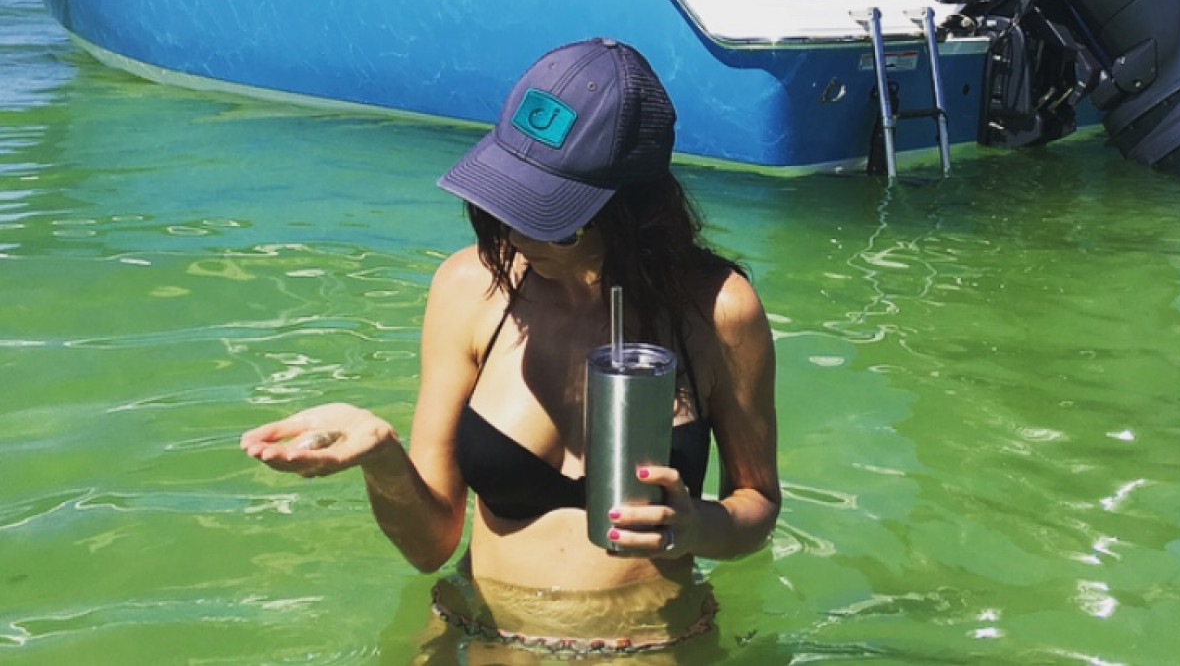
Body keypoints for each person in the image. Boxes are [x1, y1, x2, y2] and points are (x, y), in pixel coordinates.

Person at [241, 38, 780, 656]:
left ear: (631, 209)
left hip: (651, 647)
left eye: (551, 215)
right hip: (480, 638)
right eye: (508, 199)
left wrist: (696, 526)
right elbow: (429, 547)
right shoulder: (469, 288)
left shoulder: (716, 309)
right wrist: (382, 458)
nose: (518, 232)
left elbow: (758, 504)